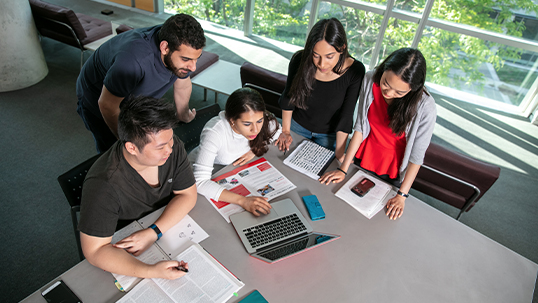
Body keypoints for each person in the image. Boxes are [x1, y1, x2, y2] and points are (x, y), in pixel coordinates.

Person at [78, 95, 197, 280]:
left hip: (159, 226)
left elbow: (187, 194)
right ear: (132, 148)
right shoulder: (103, 185)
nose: (170, 150)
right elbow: (95, 251)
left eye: (171, 140)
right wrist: (150, 272)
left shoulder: (170, 145)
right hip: (123, 239)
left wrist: (154, 232)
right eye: (161, 147)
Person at [320, 48, 437, 220]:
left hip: (392, 169)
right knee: (342, 210)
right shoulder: (370, 79)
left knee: (373, 220)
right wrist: (343, 169)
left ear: (413, 89)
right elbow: (360, 127)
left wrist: (402, 196)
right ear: (384, 70)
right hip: (363, 156)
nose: (389, 93)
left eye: (399, 92)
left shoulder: (425, 107)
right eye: (386, 84)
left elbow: (416, 157)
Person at [76, 14, 206, 153]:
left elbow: (183, 82)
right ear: (164, 47)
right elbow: (107, 105)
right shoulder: (132, 63)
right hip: (99, 98)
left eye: (196, 59)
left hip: (135, 96)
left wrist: (183, 113)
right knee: (117, 153)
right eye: (186, 59)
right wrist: (126, 141)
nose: (193, 67)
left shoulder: (175, 43)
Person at [275, 18, 365, 162]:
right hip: (297, 125)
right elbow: (288, 98)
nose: (322, 64)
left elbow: (346, 115)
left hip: (329, 135)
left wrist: (340, 153)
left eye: (329, 56)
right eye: (316, 55)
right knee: (283, 161)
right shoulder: (300, 59)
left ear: (342, 48)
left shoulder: (355, 71)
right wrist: (285, 131)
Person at [189, 88, 281, 215]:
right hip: (208, 171)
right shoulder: (214, 132)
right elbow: (199, 181)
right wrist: (243, 201)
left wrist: (255, 148)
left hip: (231, 170)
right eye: (247, 124)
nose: (255, 130)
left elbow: (277, 132)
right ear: (232, 120)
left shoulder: (261, 121)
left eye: (259, 121)